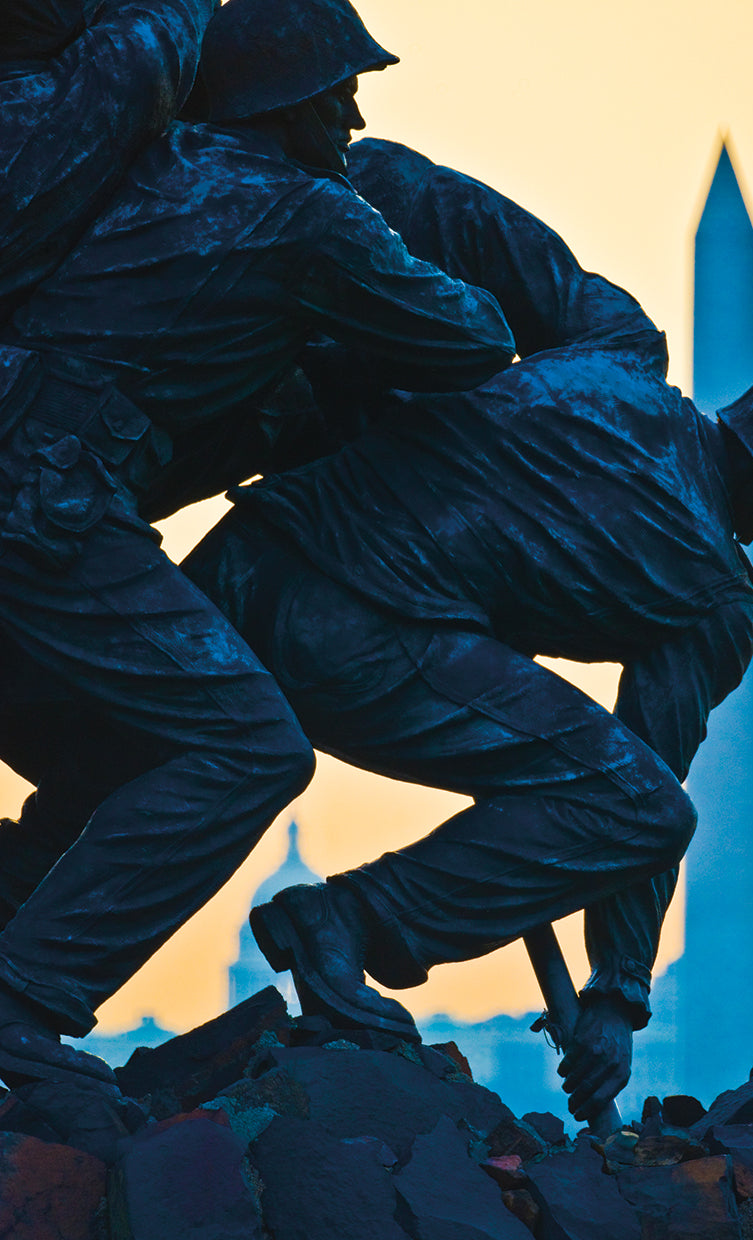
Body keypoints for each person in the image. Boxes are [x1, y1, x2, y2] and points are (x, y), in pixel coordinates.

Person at [0, 0, 514, 1089]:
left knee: (123, 750)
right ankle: (22, 999)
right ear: (284, 100)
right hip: (42, 505)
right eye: (339, 90)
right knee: (249, 749)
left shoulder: (142, 169)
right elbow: (471, 336)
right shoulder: (302, 218)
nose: (358, 112)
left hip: (39, 490)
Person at [176, 348, 753, 1123]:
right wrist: (617, 995)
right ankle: (346, 919)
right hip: (353, 631)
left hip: (238, 562)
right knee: (641, 809)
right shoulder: (715, 589)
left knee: (106, 780)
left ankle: (28, 963)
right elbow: (648, 785)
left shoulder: (602, 377)